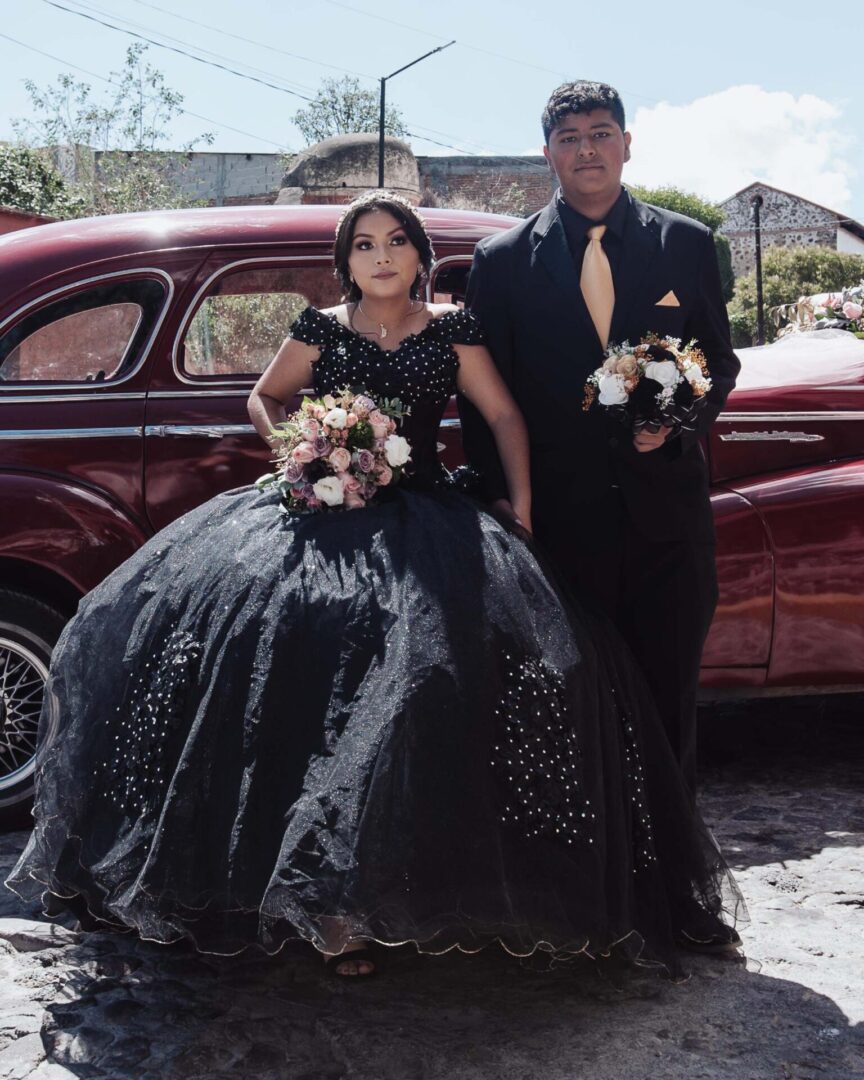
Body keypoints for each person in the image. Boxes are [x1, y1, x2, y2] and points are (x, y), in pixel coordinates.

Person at [7, 191, 742, 978]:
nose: (381, 256)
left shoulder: (454, 326)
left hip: (428, 516)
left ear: (420, 255)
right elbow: (266, 395)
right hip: (325, 518)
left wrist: (520, 514)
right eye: (364, 244)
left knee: (429, 687)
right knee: (294, 679)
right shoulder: (320, 327)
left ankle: (412, 892)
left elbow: (502, 416)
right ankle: (321, 905)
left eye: (396, 241)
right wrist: (307, 447)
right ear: (345, 259)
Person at [460, 81, 741, 809]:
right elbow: (482, 396)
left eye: (601, 132)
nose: (588, 149)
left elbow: (719, 360)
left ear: (626, 142)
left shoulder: (686, 243)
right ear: (548, 152)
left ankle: (676, 895)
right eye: (571, 138)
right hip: (558, 526)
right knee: (568, 707)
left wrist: (676, 423)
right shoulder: (501, 261)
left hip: (668, 525)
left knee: (667, 702)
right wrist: (505, 506)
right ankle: (584, 888)